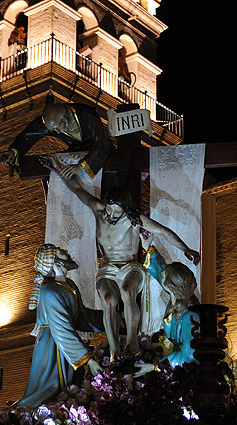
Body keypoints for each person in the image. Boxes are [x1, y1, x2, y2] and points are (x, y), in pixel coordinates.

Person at [39, 156, 200, 359]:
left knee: (127, 290)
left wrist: (186, 249)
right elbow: (77, 189)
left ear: (125, 208)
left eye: (117, 211)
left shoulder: (135, 220)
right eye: (109, 209)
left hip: (130, 266)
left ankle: (132, 342)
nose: (112, 214)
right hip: (108, 266)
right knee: (108, 299)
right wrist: (56, 167)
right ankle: (115, 349)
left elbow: (164, 232)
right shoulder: (99, 211)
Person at [17, 244, 104, 408]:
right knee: (51, 389)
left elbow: (83, 318)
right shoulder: (49, 291)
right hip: (53, 346)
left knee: (69, 389)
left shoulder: (69, 286)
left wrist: (114, 320)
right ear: (55, 263)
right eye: (60, 253)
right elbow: (61, 328)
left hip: (66, 343)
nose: (66, 253)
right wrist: (88, 360)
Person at [134, 245, 200, 376]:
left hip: (186, 373)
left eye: (164, 278)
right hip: (173, 366)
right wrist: (147, 245)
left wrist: (156, 367)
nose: (161, 277)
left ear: (171, 285)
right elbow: (161, 270)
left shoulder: (190, 317)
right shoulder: (175, 299)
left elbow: (189, 356)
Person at [0, 102, 112, 179]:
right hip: (76, 153)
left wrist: (81, 166)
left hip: (100, 156)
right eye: (53, 129)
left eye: (58, 127)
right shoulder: (52, 122)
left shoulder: (87, 114)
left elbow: (102, 143)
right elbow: (29, 134)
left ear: (66, 115)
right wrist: (14, 152)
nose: (57, 132)